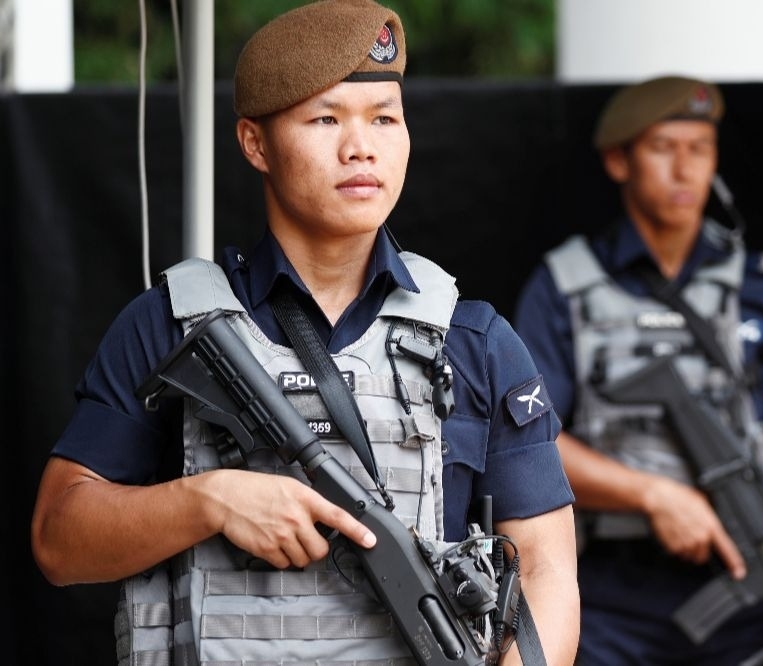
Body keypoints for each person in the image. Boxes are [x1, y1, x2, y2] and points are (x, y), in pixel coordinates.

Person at [30, 1, 579, 664]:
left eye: (384, 118)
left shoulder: (475, 340)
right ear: (255, 143)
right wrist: (208, 500)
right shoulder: (169, 324)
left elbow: (547, 570)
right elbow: (59, 543)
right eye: (325, 119)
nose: (361, 147)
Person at [513, 75, 763, 665]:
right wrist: (654, 496)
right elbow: (528, 445)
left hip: (750, 590)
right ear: (618, 161)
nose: (685, 170)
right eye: (663, 148)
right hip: (607, 597)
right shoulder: (565, 286)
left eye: (700, 149)